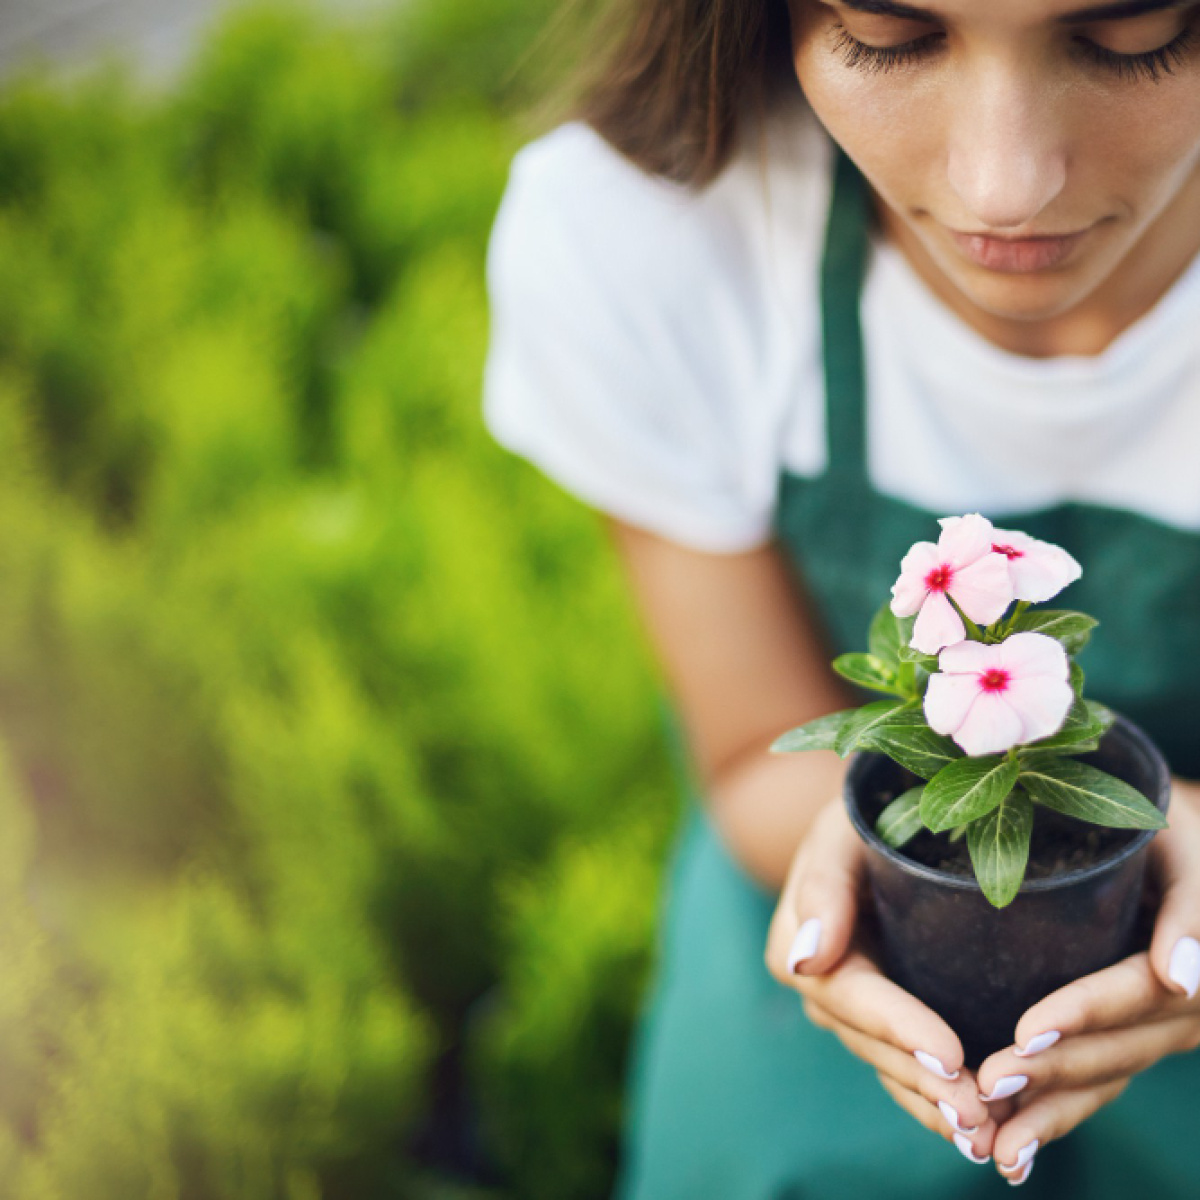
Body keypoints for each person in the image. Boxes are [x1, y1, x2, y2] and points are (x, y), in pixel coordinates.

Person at [481, 0, 1200, 1194]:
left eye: (1134, 36)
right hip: (842, 886)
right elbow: (757, 752)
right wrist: (878, 866)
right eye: (889, 32)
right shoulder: (655, 233)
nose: (1006, 182)